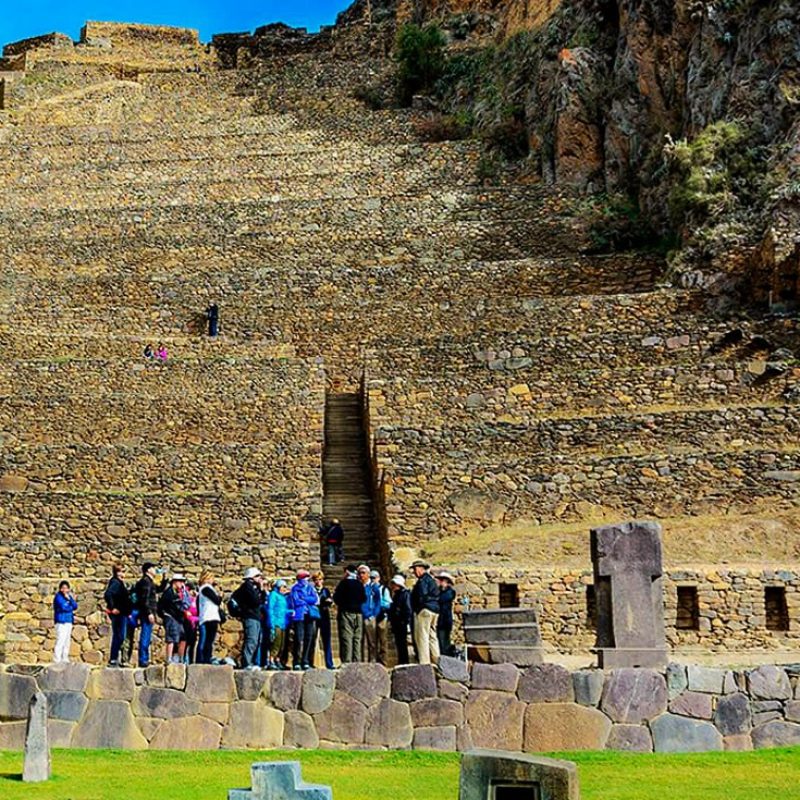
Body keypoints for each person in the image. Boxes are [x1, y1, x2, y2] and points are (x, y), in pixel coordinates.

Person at [134, 562, 167, 668]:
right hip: (146, 613)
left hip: (148, 612)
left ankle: (145, 658)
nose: (155, 570)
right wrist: (149, 613)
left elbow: (158, 589)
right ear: (148, 570)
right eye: (153, 568)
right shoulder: (145, 582)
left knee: (147, 636)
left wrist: (164, 578)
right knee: (145, 636)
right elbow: (145, 599)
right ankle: (143, 659)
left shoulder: (149, 582)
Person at [333, 564, 366, 663]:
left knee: (347, 638)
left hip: (346, 612)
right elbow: (363, 598)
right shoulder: (359, 584)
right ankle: (357, 660)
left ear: (347, 572)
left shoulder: (343, 584)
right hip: (358, 613)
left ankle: (347, 661)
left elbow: (336, 598)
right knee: (357, 639)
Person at [410, 560, 440, 665]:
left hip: (425, 609)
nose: (414, 572)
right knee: (432, 635)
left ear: (420, 568)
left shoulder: (422, 581)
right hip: (435, 609)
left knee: (422, 636)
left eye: (415, 569)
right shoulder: (431, 580)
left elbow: (422, 595)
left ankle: (424, 662)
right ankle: (437, 660)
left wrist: (418, 608)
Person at [232, 567, 264, 669]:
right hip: (250, 616)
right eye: (258, 576)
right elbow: (256, 601)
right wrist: (261, 588)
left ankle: (250, 661)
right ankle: (246, 662)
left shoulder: (253, 587)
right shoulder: (247, 586)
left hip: (255, 616)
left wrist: (261, 590)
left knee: (256, 640)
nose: (260, 578)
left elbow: (261, 601)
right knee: (252, 639)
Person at [290, 570, 319, 671]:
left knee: (309, 637)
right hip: (299, 615)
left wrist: (304, 598)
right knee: (298, 638)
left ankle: (305, 660)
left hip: (309, 615)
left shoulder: (310, 587)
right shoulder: (295, 589)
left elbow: (314, 599)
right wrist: (307, 600)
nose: (306, 580)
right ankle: (296, 661)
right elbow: (296, 601)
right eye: (304, 578)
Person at [104, 563, 132, 667]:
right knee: (119, 636)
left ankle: (115, 658)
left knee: (120, 636)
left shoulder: (120, 583)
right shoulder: (116, 583)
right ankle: (113, 658)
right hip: (119, 614)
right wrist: (113, 607)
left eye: (124, 571)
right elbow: (108, 594)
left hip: (123, 613)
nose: (123, 574)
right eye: (120, 571)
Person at [158, 574, 189, 664]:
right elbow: (175, 606)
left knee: (183, 638)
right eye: (181, 581)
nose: (182, 584)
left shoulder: (177, 593)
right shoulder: (169, 593)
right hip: (171, 617)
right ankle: (169, 659)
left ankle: (181, 659)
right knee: (171, 638)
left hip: (178, 618)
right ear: (175, 582)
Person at [197, 571, 222, 664]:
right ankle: (204, 658)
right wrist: (220, 597)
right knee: (208, 640)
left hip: (208, 616)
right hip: (210, 616)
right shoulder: (206, 588)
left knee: (208, 640)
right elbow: (216, 600)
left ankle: (206, 657)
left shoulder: (203, 589)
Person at [311, 572, 334, 669]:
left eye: (320, 580)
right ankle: (309, 661)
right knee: (312, 639)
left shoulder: (325, 590)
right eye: (316, 580)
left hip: (324, 616)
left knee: (327, 640)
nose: (318, 582)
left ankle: (329, 663)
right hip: (315, 616)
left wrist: (328, 602)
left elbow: (329, 601)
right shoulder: (311, 590)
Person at [388, 575, 412, 665]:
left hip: (401, 623)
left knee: (402, 644)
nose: (392, 586)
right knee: (399, 644)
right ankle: (402, 661)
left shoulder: (404, 594)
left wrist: (405, 621)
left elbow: (407, 609)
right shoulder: (398, 594)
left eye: (394, 584)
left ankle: (404, 662)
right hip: (397, 622)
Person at [266, 579, 290, 670]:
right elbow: (271, 609)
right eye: (283, 586)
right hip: (276, 622)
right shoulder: (273, 595)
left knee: (282, 644)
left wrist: (289, 612)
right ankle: (271, 660)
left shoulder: (282, 597)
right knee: (275, 642)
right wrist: (271, 624)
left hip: (283, 622)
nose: (285, 589)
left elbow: (282, 610)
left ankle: (277, 660)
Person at [53, 580, 78, 663]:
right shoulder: (58, 597)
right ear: (60, 589)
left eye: (66, 588)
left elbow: (75, 606)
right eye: (63, 588)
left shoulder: (68, 597)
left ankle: (65, 658)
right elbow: (64, 607)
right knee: (61, 640)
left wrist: (69, 600)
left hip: (68, 621)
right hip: (61, 621)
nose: (65, 590)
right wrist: (70, 607)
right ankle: (57, 659)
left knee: (67, 641)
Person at [436, 572, 457, 657]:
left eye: (442, 580)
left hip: (445, 620)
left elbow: (441, 599)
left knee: (444, 641)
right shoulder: (440, 591)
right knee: (440, 641)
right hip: (440, 620)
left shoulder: (450, 592)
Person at [183, 581, 200, 663]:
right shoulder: (186, 600)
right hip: (186, 624)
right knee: (185, 644)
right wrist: (197, 618)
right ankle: (184, 660)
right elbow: (187, 615)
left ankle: (191, 661)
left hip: (194, 626)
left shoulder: (196, 600)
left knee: (192, 644)